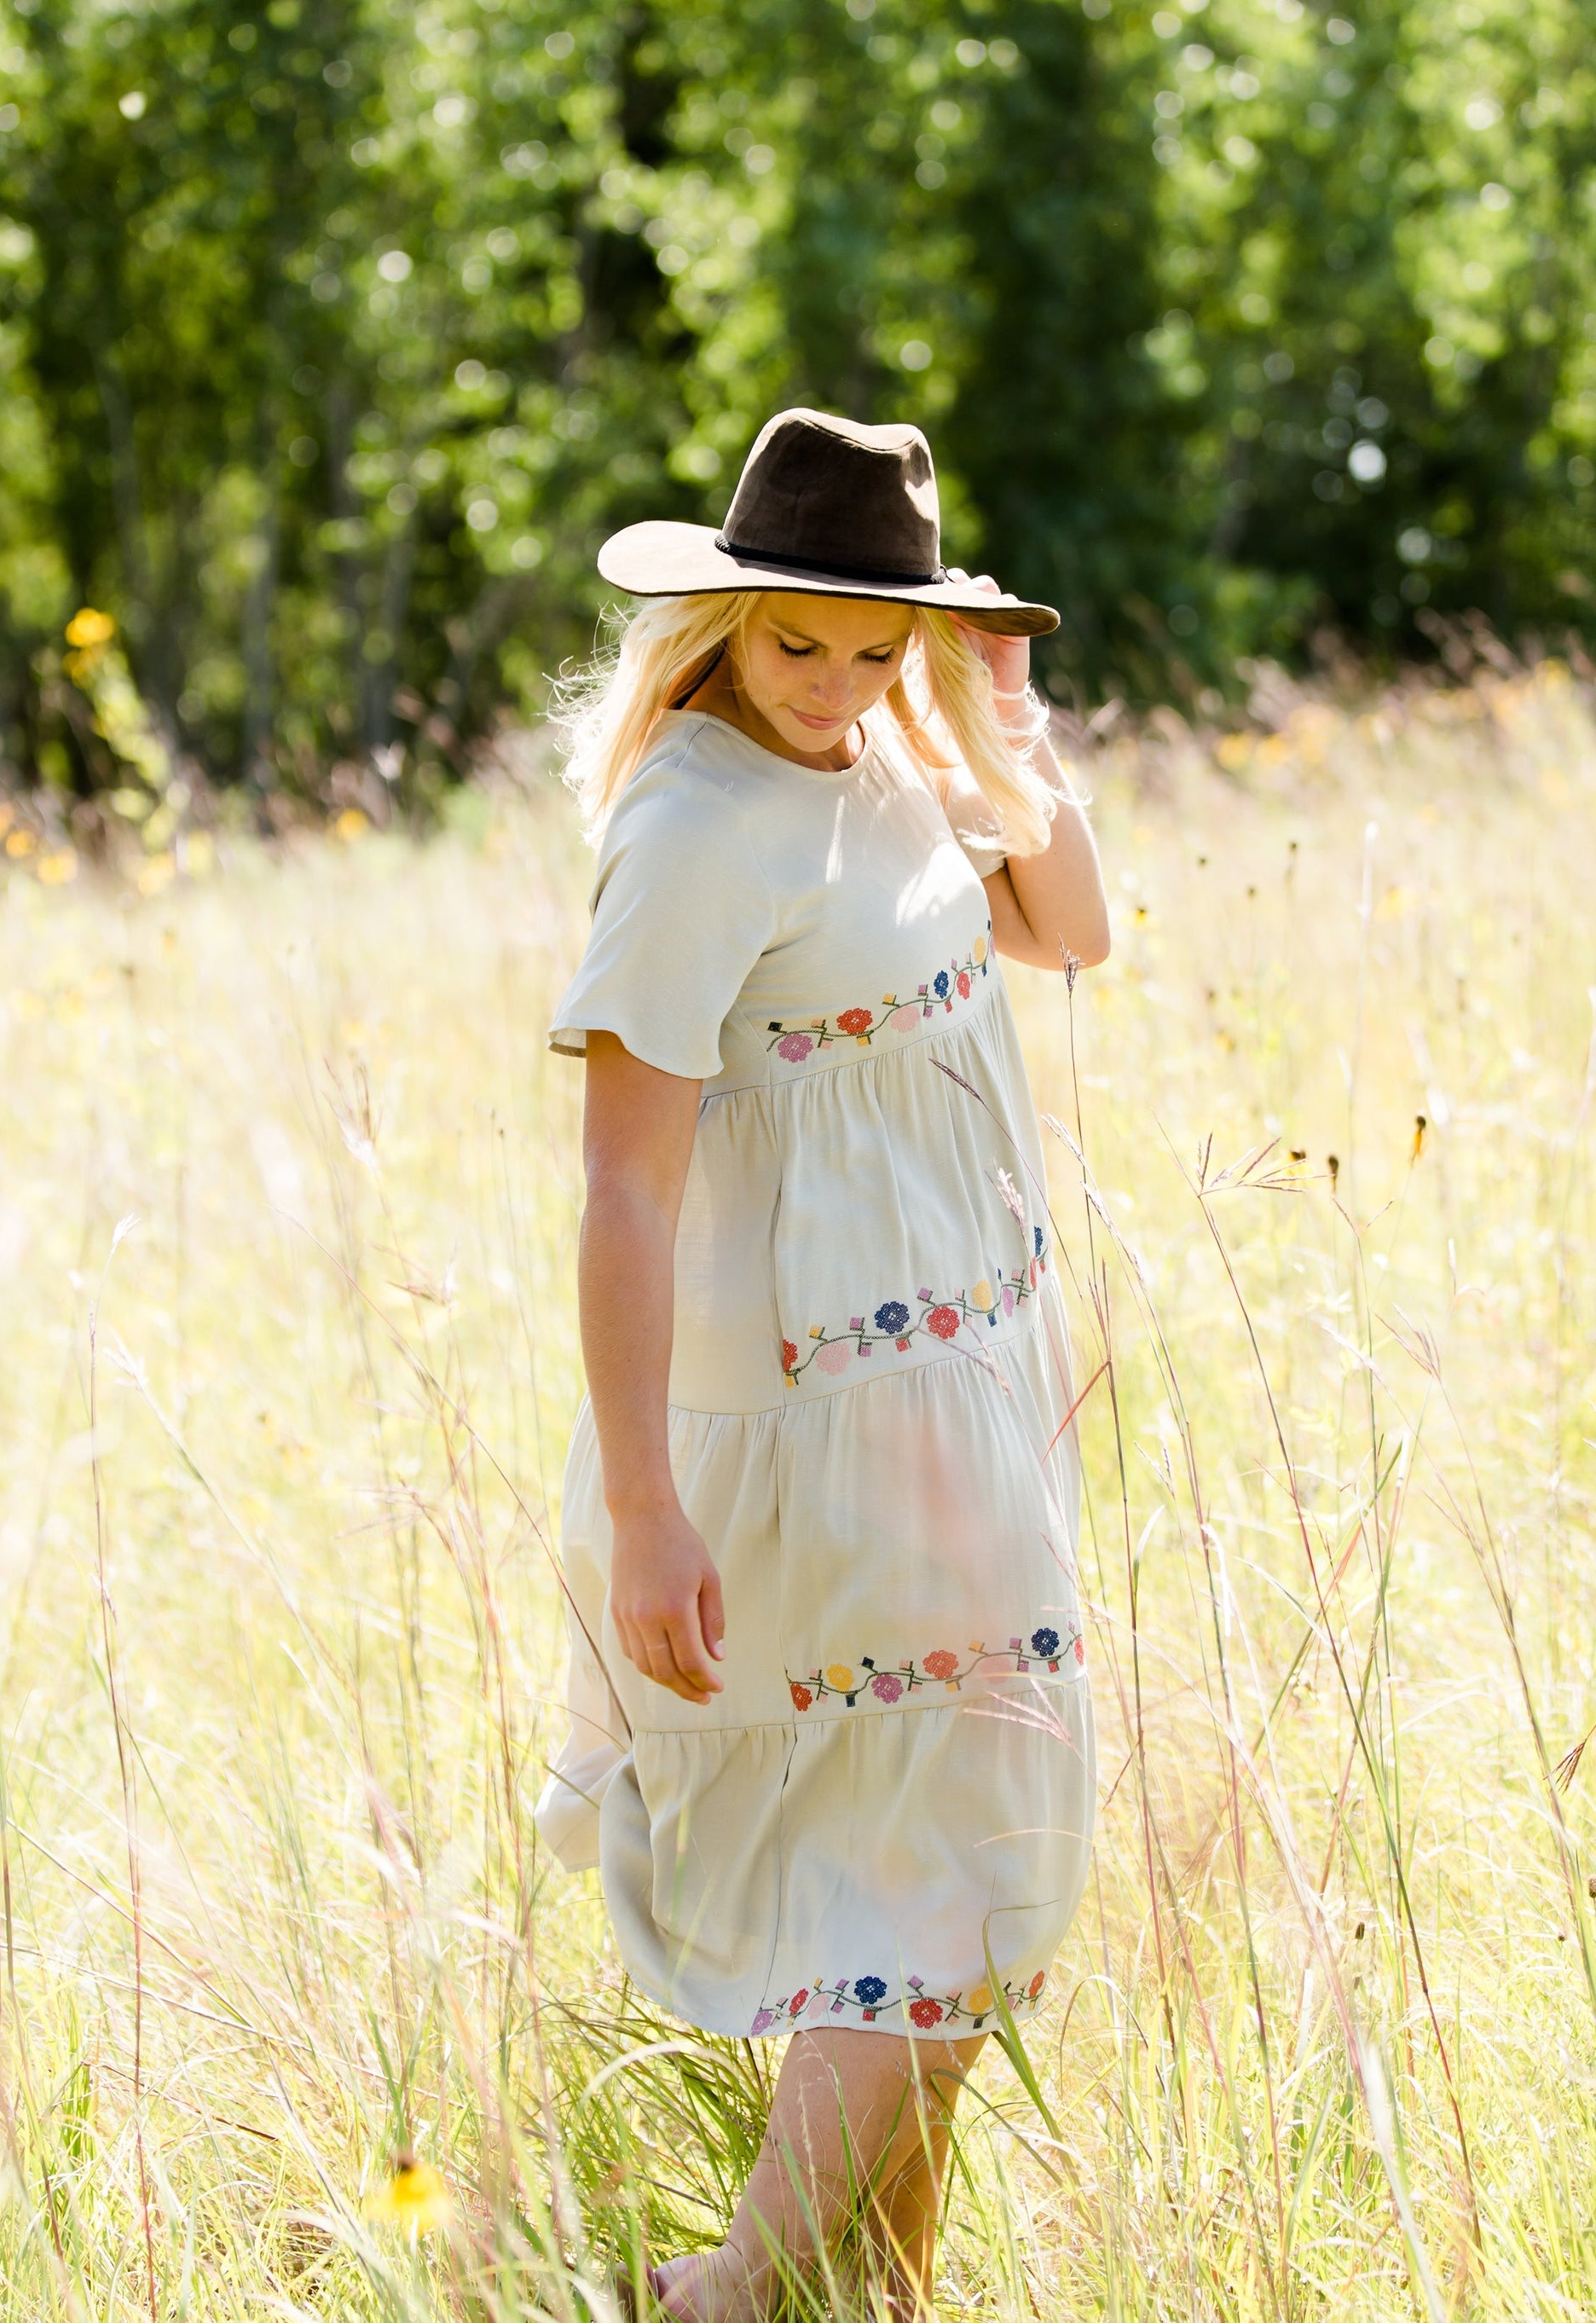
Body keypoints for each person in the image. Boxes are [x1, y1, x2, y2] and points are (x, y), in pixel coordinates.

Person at [538, 408, 1111, 2320]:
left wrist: (995, 711)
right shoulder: (697, 823)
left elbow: (1072, 929)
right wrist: (642, 1508)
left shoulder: (896, 758)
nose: (836, 685)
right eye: (803, 644)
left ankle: (854, 2294)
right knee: (943, 1881)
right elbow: (626, 1190)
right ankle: (735, 2296)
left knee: (967, 1876)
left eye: (878, 646)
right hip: (821, 1423)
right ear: (719, 622)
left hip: (964, 1395)